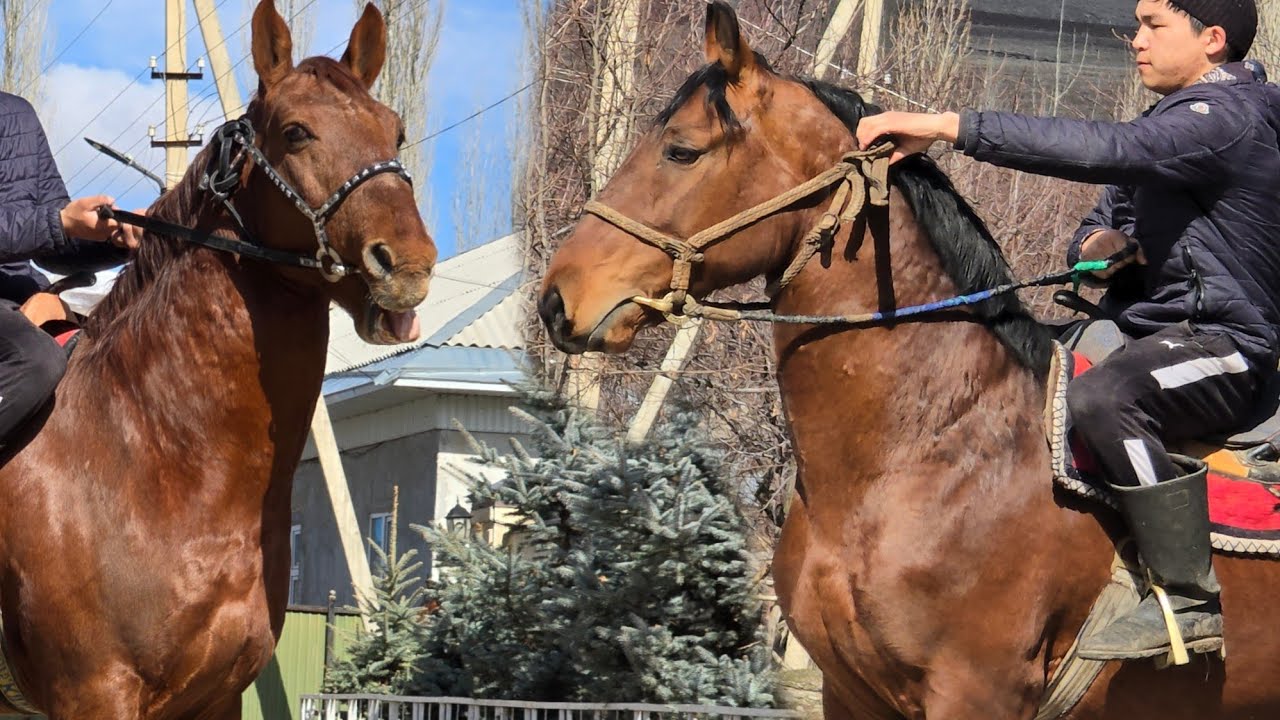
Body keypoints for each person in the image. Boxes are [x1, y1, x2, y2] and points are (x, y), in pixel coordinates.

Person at [854, 0, 1276, 660]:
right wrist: (1105, 242)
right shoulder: (1166, 126)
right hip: (1137, 335)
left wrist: (945, 126)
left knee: (1107, 399)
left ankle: (1190, 596)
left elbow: (1111, 150)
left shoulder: (1226, 117)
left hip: (1225, 347)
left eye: (1153, 25)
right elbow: (1101, 214)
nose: (1134, 40)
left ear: (1212, 39)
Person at [0, 90, 142, 445]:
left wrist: (113, 237)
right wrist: (59, 222)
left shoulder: (17, 114)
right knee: (35, 360)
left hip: (20, 298)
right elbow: (54, 222)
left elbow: (53, 242)